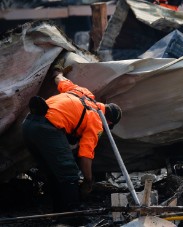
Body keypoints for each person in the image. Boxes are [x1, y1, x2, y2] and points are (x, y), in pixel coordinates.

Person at [22, 62, 122, 212]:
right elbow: (85, 155)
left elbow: (59, 79)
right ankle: (73, 213)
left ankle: (58, 211)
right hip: (48, 128)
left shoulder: (81, 92)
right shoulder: (96, 120)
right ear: (109, 121)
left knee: (52, 171)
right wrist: (88, 181)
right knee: (69, 172)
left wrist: (57, 71)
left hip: (28, 124)